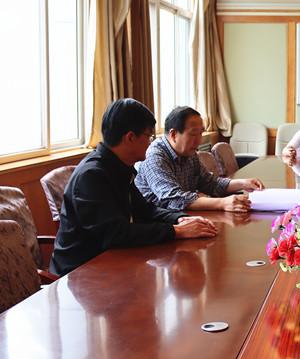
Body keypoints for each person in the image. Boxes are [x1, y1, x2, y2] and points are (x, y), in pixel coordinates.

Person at [50, 99, 217, 276]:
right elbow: (114, 234)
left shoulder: (120, 166)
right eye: (149, 136)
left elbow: (146, 210)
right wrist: (176, 232)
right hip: (80, 273)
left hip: (112, 263)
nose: (151, 142)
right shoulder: (92, 175)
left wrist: (181, 219)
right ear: (130, 137)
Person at [136, 106, 264, 212]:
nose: (199, 140)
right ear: (174, 134)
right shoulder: (155, 156)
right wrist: (223, 203)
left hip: (184, 217)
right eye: (193, 134)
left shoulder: (189, 153)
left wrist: (242, 183)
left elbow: (210, 183)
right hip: (157, 224)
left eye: (200, 133)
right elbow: (173, 198)